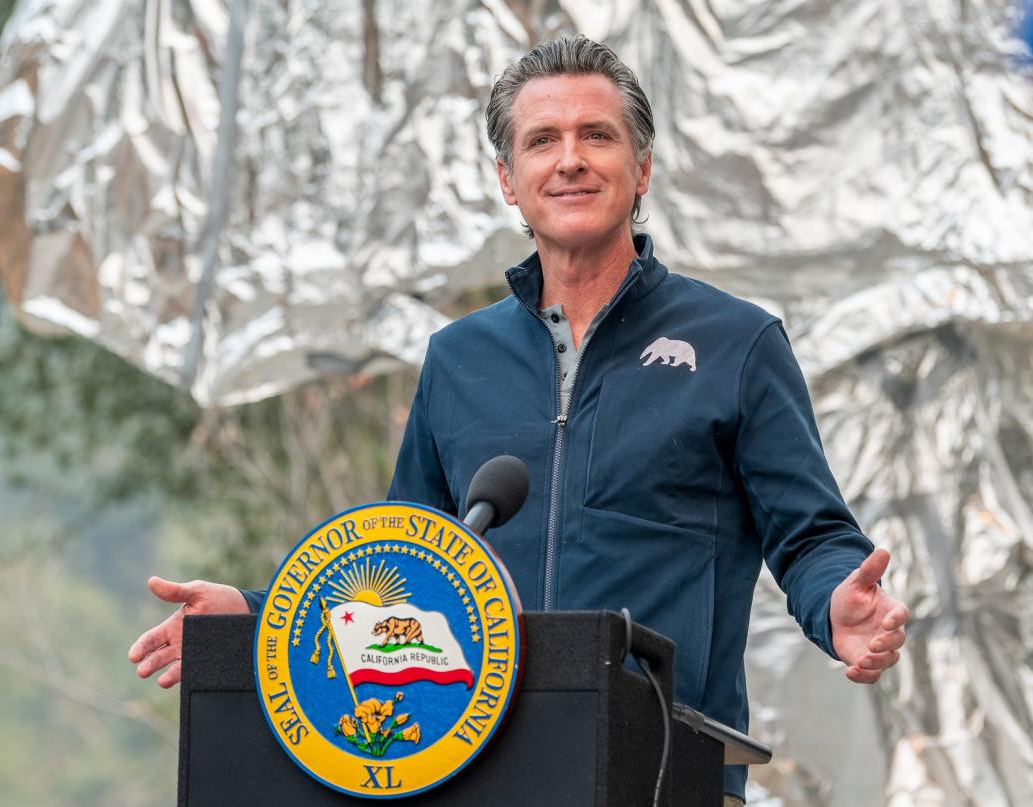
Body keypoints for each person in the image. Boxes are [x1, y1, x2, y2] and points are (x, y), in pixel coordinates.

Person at [128, 36, 910, 804]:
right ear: (509, 178)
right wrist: (259, 617)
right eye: (543, 141)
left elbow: (809, 533)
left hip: (665, 774)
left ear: (641, 169)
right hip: (476, 772)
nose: (569, 159)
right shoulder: (459, 359)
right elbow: (402, 568)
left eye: (596, 135)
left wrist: (838, 598)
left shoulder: (735, 343)